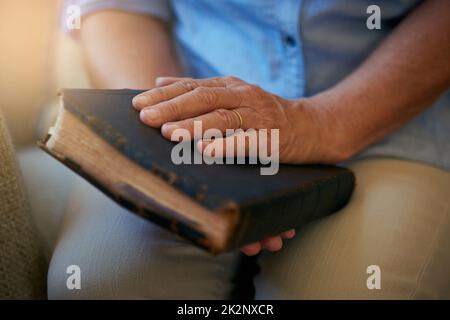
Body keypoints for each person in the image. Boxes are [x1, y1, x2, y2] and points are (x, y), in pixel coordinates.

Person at [47, 0, 450, 299]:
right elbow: (112, 7)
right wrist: (168, 131)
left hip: (389, 120)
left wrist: (327, 123)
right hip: (195, 114)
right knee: (98, 285)